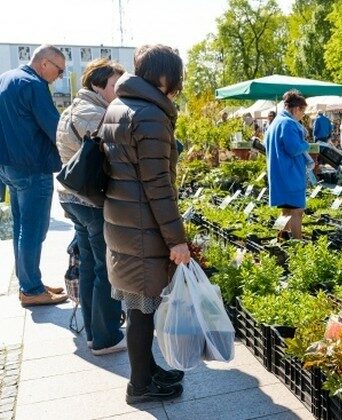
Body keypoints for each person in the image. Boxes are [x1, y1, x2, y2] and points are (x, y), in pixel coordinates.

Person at [101, 45, 189, 403]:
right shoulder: (149, 115)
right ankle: (139, 385)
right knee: (141, 310)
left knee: (139, 307)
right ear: (164, 77)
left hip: (126, 222)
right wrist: (177, 239)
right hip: (142, 227)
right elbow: (158, 187)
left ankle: (147, 370)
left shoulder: (120, 105)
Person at [56, 58, 126, 355]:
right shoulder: (94, 112)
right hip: (90, 201)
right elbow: (120, 145)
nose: (118, 91)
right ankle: (106, 337)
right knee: (104, 268)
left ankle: (93, 333)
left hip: (72, 198)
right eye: (114, 85)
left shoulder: (74, 107)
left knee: (88, 266)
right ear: (98, 85)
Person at [0, 44, 69, 307]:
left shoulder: (6, 78)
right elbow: (56, 129)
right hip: (32, 167)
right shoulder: (34, 85)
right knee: (33, 230)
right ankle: (30, 289)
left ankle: (30, 283)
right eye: (59, 70)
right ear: (44, 64)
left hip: (8, 165)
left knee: (21, 227)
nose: (60, 76)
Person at [264, 90, 310, 239]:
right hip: (291, 175)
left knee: (285, 211)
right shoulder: (288, 124)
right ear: (297, 109)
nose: (302, 116)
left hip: (278, 175)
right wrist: (305, 144)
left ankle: (279, 240)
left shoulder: (275, 123)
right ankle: (297, 247)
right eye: (303, 112)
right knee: (297, 211)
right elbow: (294, 148)